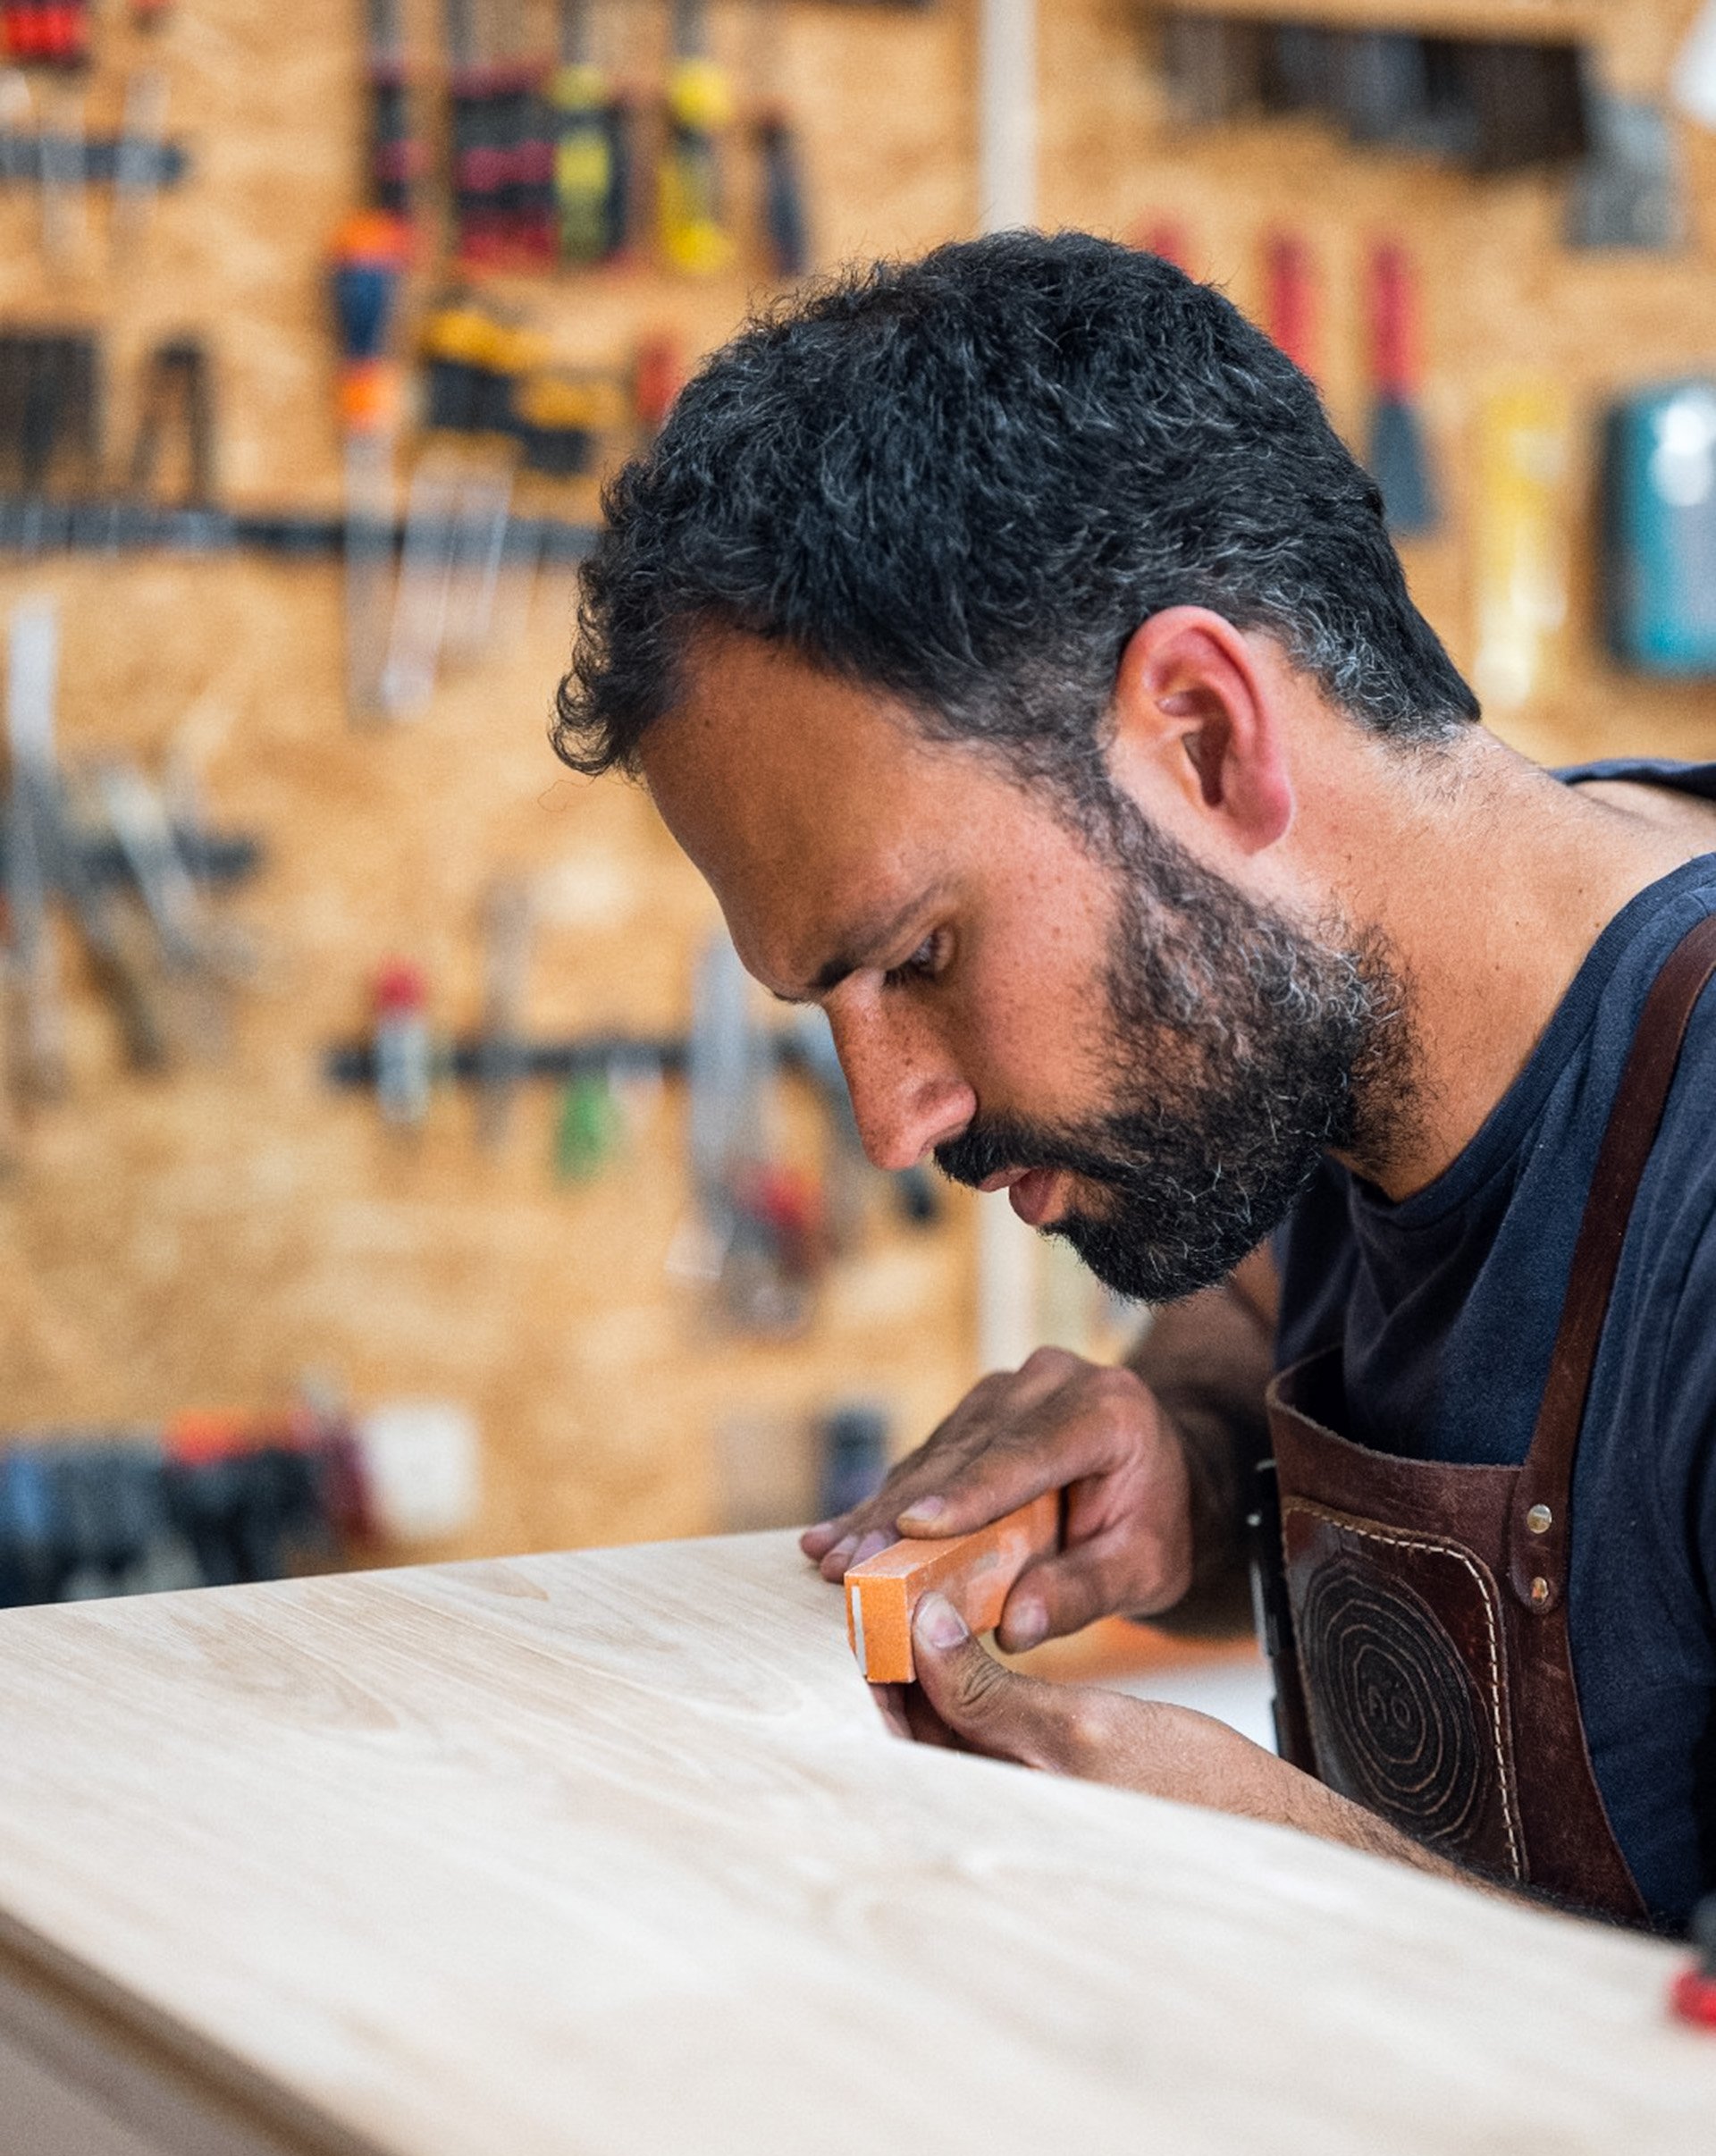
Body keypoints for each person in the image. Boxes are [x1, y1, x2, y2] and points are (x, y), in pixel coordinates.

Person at [553, 232, 1716, 1933]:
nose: (890, 1119)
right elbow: (1313, 1281)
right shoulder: (1379, 984)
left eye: (920, 958)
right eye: (829, 1004)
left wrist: (1313, 1895)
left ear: (1204, 739)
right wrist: (1177, 1429)